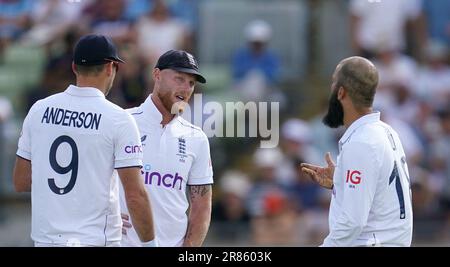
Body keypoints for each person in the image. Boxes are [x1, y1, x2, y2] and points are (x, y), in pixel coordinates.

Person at [12, 34, 156, 247]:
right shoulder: (118, 119)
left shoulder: (39, 109)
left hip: (47, 240)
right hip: (95, 240)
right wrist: (150, 244)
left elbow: (21, 181)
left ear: (74, 67)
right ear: (110, 68)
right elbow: (135, 196)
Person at [301, 56, 413, 247]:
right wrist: (340, 181)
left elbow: (353, 223)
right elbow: (380, 190)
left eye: (333, 82)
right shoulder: (387, 131)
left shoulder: (362, 142)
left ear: (341, 92)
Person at [120, 50, 213, 247]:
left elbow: (202, 207)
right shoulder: (122, 122)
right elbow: (90, 177)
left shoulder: (197, 138)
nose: (186, 88)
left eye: (191, 83)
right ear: (157, 75)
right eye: (179, 79)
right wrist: (102, 214)